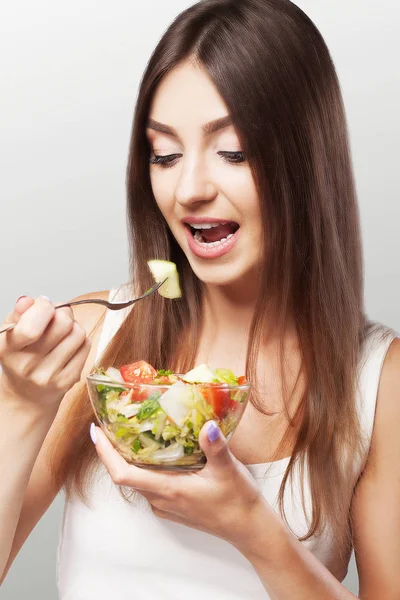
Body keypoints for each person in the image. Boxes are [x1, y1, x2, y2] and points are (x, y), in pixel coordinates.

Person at [0, 1, 399, 598]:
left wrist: (251, 526)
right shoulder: (93, 338)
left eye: (233, 151)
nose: (188, 189)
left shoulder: (379, 386)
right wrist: (20, 403)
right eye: (163, 155)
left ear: (307, 159)